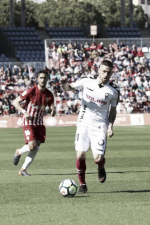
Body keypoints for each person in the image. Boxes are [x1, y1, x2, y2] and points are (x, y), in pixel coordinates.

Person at [60, 60, 119, 194]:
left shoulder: (113, 91)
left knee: (97, 158)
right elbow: (68, 88)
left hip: (99, 126)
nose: (106, 75)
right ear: (98, 70)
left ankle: (101, 167)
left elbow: (113, 111)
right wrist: (64, 83)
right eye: (104, 71)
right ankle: (82, 184)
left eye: (109, 72)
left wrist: (110, 126)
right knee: (80, 155)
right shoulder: (86, 81)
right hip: (83, 123)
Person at [12, 70, 56, 176]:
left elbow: (52, 110)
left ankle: (23, 170)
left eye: (44, 78)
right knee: (32, 146)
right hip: (28, 121)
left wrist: (53, 111)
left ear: (47, 79)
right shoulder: (31, 90)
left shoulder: (49, 94)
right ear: (37, 79)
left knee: (36, 147)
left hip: (39, 123)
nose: (42, 80)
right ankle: (19, 152)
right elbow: (15, 102)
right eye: (41, 78)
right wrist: (24, 112)